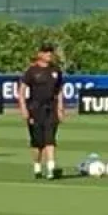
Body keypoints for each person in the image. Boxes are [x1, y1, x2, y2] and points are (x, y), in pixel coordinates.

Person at [18, 44, 64, 180]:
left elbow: (59, 90)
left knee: (50, 139)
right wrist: (23, 108)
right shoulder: (32, 71)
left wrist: (60, 108)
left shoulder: (56, 70)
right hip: (35, 109)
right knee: (37, 143)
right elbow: (22, 91)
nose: (49, 54)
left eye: (50, 52)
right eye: (46, 52)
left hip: (51, 108)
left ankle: (51, 168)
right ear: (40, 54)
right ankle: (37, 166)